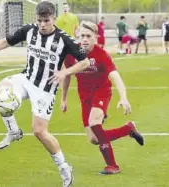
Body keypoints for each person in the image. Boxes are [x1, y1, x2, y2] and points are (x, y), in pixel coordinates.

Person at [0, 1, 90, 186]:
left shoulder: (64, 39)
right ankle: (13, 131)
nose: (42, 24)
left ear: (53, 18)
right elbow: (5, 42)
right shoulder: (29, 30)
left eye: (46, 20)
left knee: (40, 132)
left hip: (45, 89)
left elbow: (85, 62)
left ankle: (64, 167)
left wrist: (64, 72)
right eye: (39, 20)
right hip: (26, 78)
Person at [61, 21, 144, 174]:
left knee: (94, 122)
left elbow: (116, 77)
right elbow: (67, 75)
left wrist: (123, 97)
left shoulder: (102, 55)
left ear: (95, 38)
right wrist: (64, 99)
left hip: (102, 93)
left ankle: (112, 166)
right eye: (82, 36)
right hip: (85, 97)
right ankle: (128, 129)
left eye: (88, 36)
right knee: (94, 139)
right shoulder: (72, 53)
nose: (84, 39)